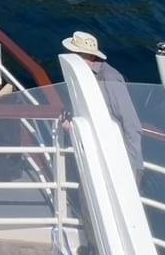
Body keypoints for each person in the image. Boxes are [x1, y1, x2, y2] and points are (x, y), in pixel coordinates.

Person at [61, 30, 143, 182]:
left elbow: (131, 125)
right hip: (93, 153)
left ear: (91, 56)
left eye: (76, 54)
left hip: (116, 157)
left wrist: (131, 166)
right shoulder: (81, 76)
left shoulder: (110, 79)